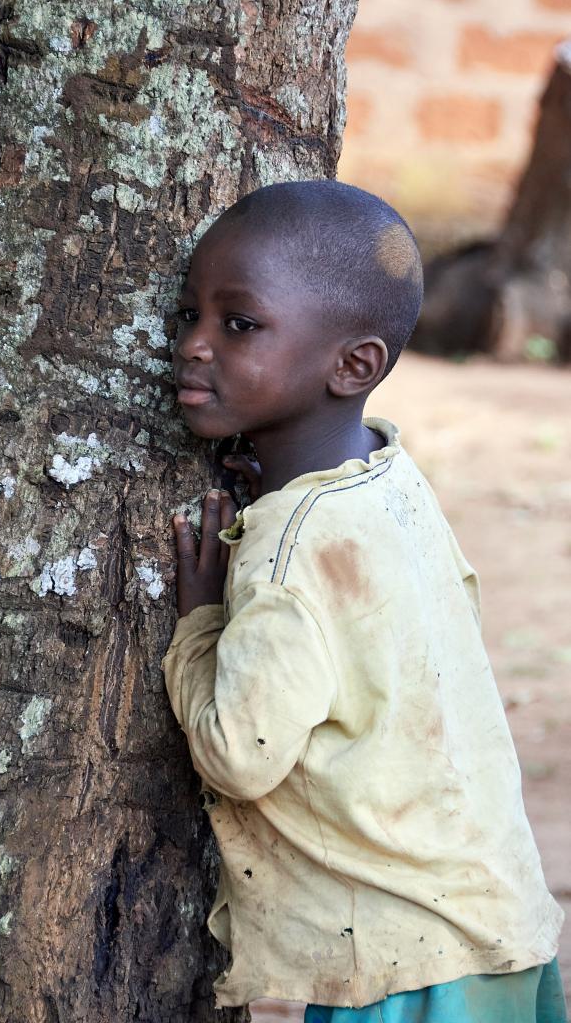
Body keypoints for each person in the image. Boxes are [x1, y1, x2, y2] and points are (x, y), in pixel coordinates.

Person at [160, 180, 566, 1022]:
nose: (194, 345)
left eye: (239, 325)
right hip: (497, 925)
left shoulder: (289, 551)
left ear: (354, 364)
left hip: (403, 967)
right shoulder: (389, 478)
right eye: (189, 315)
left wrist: (201, 625)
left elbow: (241, 750)